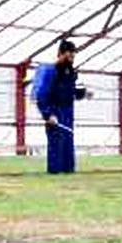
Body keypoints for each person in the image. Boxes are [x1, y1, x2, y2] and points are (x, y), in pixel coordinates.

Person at [32, 39, 91, 174]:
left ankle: (68, 171)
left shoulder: (71, 73)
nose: (71, 59)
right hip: (55, 112)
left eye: (73, 56)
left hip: (68, 113)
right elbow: (42, 96)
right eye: (69, 56)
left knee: (68, 143)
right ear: (61, 54)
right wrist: (48, 114)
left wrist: (84, 93)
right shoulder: (51, 71)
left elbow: (71, 91)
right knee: (56, 143)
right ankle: (54, 172)